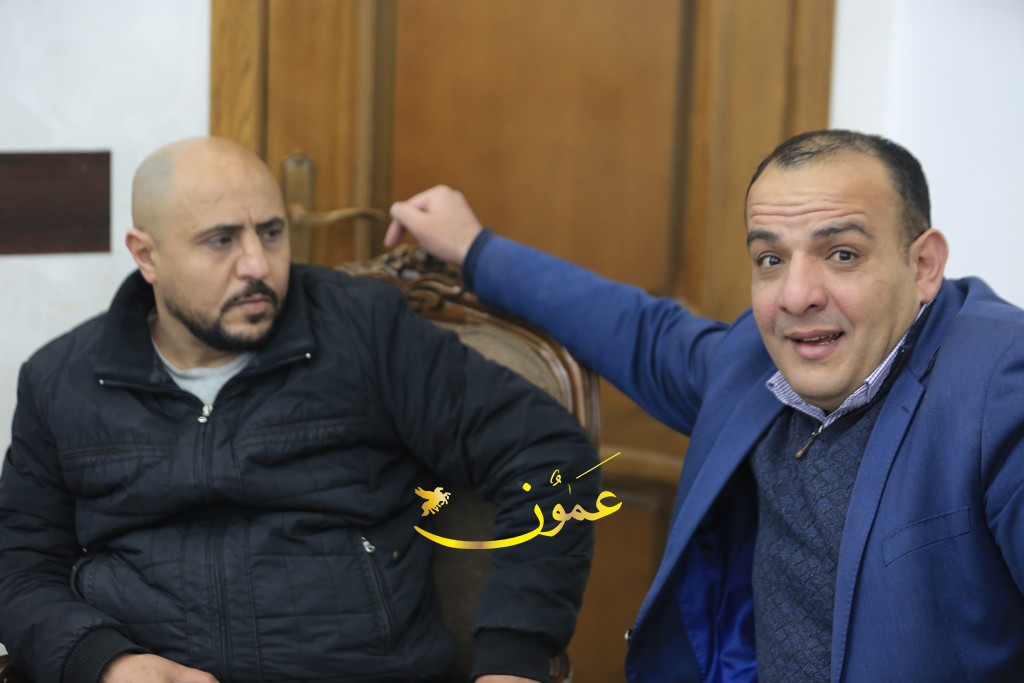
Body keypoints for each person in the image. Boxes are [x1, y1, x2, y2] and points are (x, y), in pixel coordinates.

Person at [386, 129, 1024, 682]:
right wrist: (475, 248)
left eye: (842, 254)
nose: (796, 295)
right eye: (770, 258)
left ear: (924, 265)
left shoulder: (1000, 381)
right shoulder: (754, 359)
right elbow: (639, 331)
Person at [0, 137, 598, 683]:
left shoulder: (366, 332)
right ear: (146, 255)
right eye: (221, 240)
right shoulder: (62, 380)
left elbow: (549, 455)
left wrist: (513, 660)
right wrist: (105, 662)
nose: (257, 265)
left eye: (271, 233)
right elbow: (19, 564)